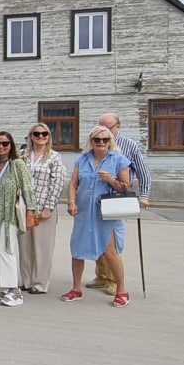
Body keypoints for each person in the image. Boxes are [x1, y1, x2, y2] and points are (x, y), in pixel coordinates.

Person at [62, 126, 132, 307]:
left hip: (107, 212)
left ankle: (122, 290)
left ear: (110, 141)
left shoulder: (119, 159)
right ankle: (76, 288)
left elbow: (126, 187)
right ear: (91, 141)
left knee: (109, 250)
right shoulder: (82, 159)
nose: (101, 142)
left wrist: (110, 180)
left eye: (105, 139)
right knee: (77, 248)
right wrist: (71, 201)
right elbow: (73, 184)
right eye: (97, 139)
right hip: (84, 210)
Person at [91, 113, 152, 295]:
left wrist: (144, 196)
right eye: (100, 126)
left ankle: (114, 281)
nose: (103, 131)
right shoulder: (95, 142)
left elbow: (143, 172)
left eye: (107, 127)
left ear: (118, 126)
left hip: (117, 198)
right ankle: (102, 275)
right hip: (95, 198)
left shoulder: (129, 145)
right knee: (97, 238)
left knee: (112, 241)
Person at [0, 131, 36, 307]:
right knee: (1, 249)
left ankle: (15, 290)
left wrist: (31, 212)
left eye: (5, 144)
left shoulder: (17, 164)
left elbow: (27, 187)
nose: (1, 147)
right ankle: (7, 287)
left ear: (11, 145)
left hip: (10, 214)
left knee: (7, 248)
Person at [19, 122, 66, 294]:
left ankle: (39, 283)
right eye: (37, 134)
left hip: (42, 206)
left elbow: (57, 183)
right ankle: (26, 280)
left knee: (42, 247)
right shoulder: (22, 155)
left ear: (49, 137)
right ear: (31, 136)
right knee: (25, 247)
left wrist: (49, 207)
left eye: (44, 134)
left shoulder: (54, 157)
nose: (40, 137)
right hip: (24, 206)